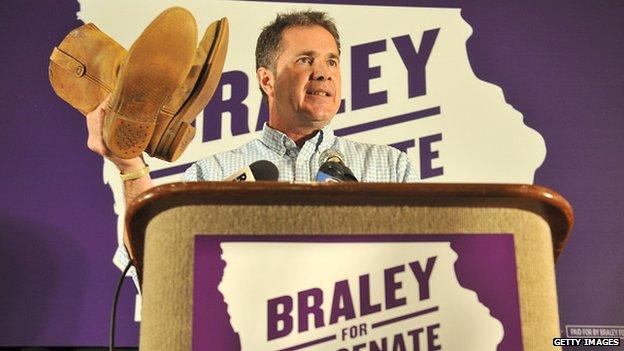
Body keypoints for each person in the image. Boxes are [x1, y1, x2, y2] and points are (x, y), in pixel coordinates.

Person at [85, 11, 418, 262]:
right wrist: (130, 165)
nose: (324, 72)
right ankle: (129, 107)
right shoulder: (210, 176)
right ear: (267, 80)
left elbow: (422, 266)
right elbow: (156, 262)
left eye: (332, 61)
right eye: (305, 60)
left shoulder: (391, 167)